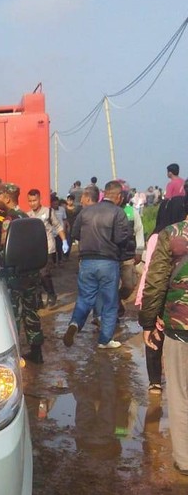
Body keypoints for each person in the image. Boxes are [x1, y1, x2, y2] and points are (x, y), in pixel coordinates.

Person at [139, 214, 188, 474]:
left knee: (180, 394)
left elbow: (156, 281)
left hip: (180, 326)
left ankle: (184, 459)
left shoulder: (172, 234)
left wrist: (148, 322)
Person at [63, 181, 133, 350]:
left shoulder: (86, 212)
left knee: (85, 298)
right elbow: (121, 238)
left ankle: (75, 324)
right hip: (108, 262)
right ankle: (105, 340)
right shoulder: (118, 213)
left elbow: (75, 233)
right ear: (118, 196)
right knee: (110, 302)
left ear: (104, 193)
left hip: (86, 261)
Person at [0, 183, 44, 364]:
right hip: (30, 274)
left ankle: (13, 356)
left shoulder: (9, 219)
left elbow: (3, 246)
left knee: (13, 315)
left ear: (7, 198)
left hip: (14, 276)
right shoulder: (26, 217)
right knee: (32, 313)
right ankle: (36, 351)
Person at [25, 188, 68, 306]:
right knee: (35, 276)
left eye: (34, 200)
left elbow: (58, 226)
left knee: (44, 274)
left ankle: (51, 294)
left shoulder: (48, 212)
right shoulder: (28, 216)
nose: (32, 203)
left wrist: (64, 241)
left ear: (39, 199)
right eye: (30, 201)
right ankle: (38, 300)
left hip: (48, 248)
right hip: (34, 250)